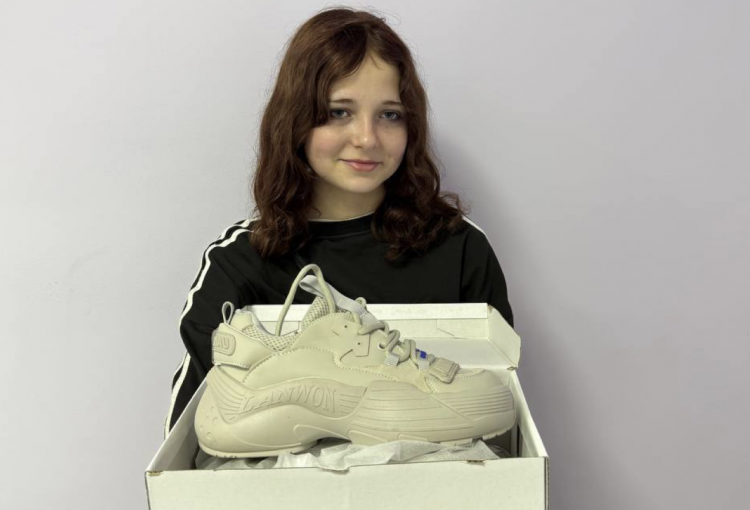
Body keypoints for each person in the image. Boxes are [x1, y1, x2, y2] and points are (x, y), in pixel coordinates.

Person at [163, 7, 514, 439]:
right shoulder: (239, 262)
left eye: (390, 114)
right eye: (338, 112)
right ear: (296, 120)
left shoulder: (458, 247)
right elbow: (187, 433)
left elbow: (498, 413)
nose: (367, 138)